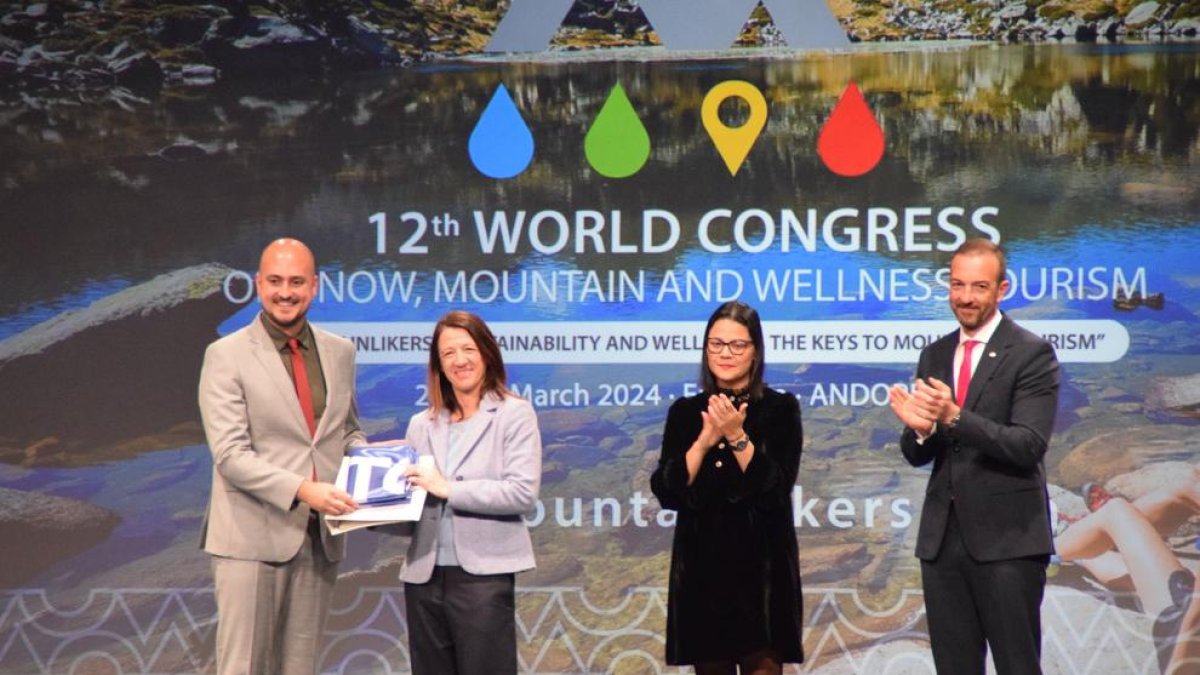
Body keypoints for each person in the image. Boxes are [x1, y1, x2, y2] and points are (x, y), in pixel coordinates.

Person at [888, 238, 1061, 674]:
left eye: (979, 287)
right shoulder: (936, 353)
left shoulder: (1031, 353)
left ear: (1002, 290)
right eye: (957, 285)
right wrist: (922, 429)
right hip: (943, 544)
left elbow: (1027, 445)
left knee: (1017, 666)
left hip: (1008, 543)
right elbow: (917, 454)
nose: (965, 298)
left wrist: (954, 416)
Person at [198, 237, 366, 675]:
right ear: (258, 284)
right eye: (274, 281)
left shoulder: (340, 352)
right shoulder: (225, 356)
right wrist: (303, 490)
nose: (285, 292)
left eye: (296, 282)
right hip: (251, 539)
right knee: (245, 667)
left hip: (319, 540)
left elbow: (345, 431)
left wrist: (374, 464)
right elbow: (231, 455)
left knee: (300, 668)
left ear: (314, 287)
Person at [650, 300, 804, 675]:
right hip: (703, 573)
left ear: (755, 351)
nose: (726, 354)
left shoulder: (781, 409)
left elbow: (775, 488)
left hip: (763, 573)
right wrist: (703, 442)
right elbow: (667, 491)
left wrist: (736, 435)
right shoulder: (685, 412)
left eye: (737, 345)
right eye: (716, 344)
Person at [396, 310, 542, 675]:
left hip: (483, 577)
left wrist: (449, 489)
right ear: (438, 365)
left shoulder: (514, 414)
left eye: (468, 349)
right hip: (423, 578)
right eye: (448, 354)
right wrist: (366, 507)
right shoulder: (421, 424)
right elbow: (411, 504)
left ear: (487, 353)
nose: (459, 360)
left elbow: (521, 493)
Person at [1053, 471, 1200, 673]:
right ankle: (1085, 538)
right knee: (1188, 485)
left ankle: (1046, 549)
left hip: (1184, 643)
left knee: (1117, 512)